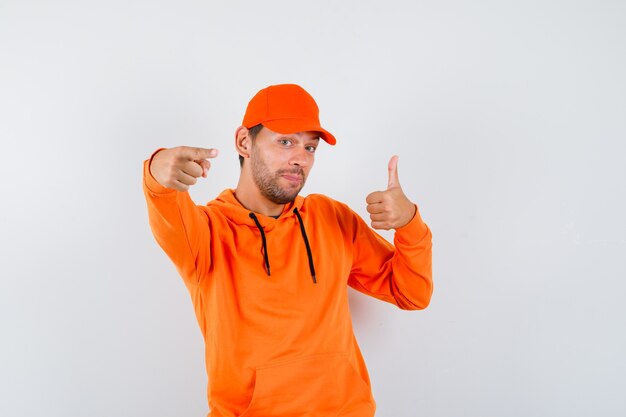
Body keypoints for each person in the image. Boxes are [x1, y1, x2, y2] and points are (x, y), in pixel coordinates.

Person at [143, 83, 433, 417]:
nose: (300, 159)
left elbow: (413, 292)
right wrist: (157, 169)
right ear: (244, 142)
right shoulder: (207, 232)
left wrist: (409, 222)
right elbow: (164, 200)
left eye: (310, 147)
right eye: (285, 141)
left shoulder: (331, 218)